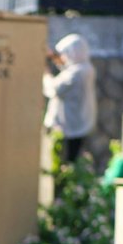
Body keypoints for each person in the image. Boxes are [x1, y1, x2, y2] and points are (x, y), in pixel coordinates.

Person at [43, 34, 97, 164]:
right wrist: (53, 57)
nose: (63, 57)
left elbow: (54, 89)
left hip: (70, 125)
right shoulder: (86, 68)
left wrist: (45, 73)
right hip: (78, 122)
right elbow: (66, 67)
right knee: (71, 159)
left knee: (64, 161)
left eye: (65, 53)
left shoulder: (77, 72)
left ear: (73, 53)